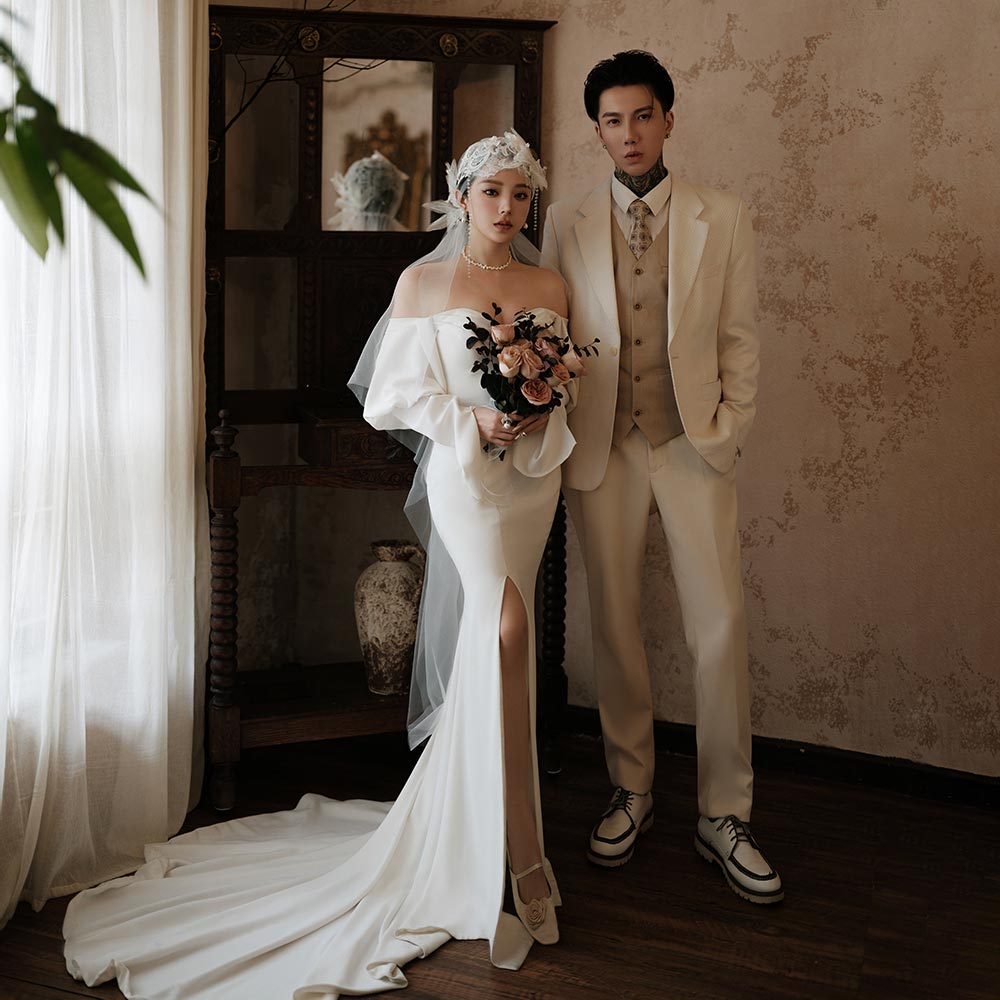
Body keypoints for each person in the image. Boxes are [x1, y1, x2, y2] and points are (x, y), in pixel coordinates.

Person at [62, 131, 575, 998]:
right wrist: (471, 421)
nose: (506, 207)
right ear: (461, 196)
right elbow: (390, 396)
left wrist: (534, 409)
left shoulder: (548, 284)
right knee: (506, 629)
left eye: (520, 194)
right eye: (491, 191)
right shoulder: (422, 283)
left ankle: (482, 826)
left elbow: (563, 380)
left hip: (531, 481)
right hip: (467, 481)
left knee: (504, 649)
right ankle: (518, 850)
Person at [541, 50, 783, 904]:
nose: (630, 133)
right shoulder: (565, 220)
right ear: (597, 130)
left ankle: (725, 813)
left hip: (690, 442)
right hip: (603, 446)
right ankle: (632, 789)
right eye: (613, 120)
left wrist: (728, 430)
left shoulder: (726, 216)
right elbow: (550, 332)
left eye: (643, 115)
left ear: (669, 119)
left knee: (719, 626)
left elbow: (740, 338)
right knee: (615, 623)